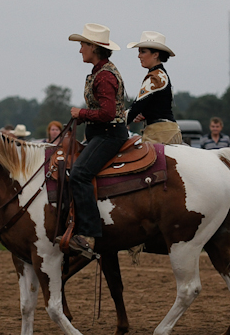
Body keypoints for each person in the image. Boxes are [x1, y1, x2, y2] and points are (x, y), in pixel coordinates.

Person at [66, 23, 128, 256]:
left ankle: (88, 234)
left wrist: (80, 114)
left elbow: (108, 113)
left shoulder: (103, 76)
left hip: (108, 135)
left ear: (94, 47)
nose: (80, 49)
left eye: (83, 44)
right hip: (103, 133)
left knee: (80, 174)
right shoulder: (102, 72)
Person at [125, 31, 182, 144]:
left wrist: (113, 124)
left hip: (160, 134)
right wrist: (145, 114)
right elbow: (157, 106)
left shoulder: (155, 77)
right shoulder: (160, 74)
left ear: (155, 54)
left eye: (143, 52)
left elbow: (136, 107)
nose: (139, 56)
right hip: (165, 131)